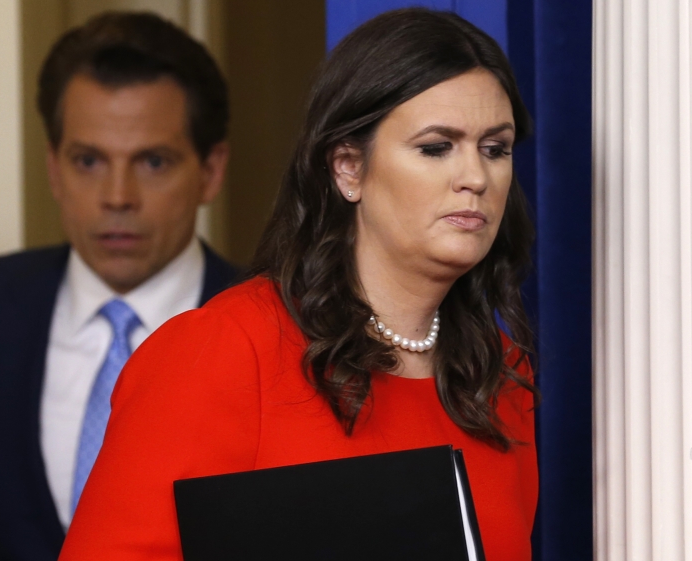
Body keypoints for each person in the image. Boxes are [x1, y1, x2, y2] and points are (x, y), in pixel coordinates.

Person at [60, 7, 539, 561]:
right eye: (436, 147)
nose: (476, 177)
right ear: (348, 168)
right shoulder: (222, 352)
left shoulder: (500, 372)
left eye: (495, 149)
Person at [0, 11, 238, 561]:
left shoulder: (282, 332)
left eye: (153, 162)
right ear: (54, 169)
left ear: (211, 171)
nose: (117, 196)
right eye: (88, 161)